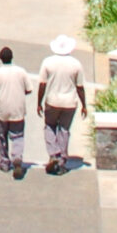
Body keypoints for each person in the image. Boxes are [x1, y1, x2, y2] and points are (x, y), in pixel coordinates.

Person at [36, 35, 88, 173]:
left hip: (52, 101)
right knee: (64, 130)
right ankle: (62, 159)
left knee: (49, 126)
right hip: (70, 102)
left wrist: (39, 103)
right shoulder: (76, 64)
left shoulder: (48, 62)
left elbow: (42, 84)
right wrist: (84, 105)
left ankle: (54, 154)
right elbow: (80, 87)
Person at [0, 46, 34, 177]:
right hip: (18, 109)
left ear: (1, 59)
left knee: (2, 136)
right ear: (12, 57)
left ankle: (4, 163)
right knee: (17, 135)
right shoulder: (21, 72)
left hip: (2, 110)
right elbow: (29, 90)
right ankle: (17, 158)